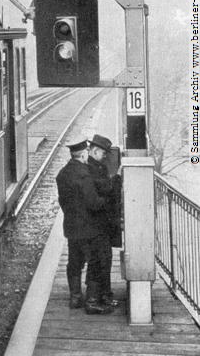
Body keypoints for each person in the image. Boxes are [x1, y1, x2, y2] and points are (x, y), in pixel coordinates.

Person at [56, 139, 113, 314]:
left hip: (71, 228)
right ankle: (92, 302)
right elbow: (93, 203)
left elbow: (62, 201)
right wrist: (107, 201)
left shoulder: (62, 174)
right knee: (95, 263)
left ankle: (75, 298)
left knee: (74, 262)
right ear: (82, 155)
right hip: (89, 229)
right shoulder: (84, 175)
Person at [87, 134, 121, 307]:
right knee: (102, 260)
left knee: (99, 260)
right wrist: (116, 179)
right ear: (94, 151)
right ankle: (100, 297)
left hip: (99, 224)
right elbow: (105, 188)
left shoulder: (96, 166)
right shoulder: (92, 169)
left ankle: (96, 297)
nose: (105, 156)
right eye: (103, 153)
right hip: (98, 224)